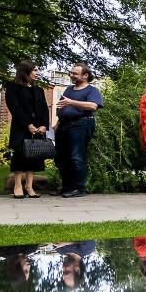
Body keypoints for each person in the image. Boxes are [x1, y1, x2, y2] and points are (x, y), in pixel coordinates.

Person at [54, 63, 104, 198]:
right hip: (63, 125)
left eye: (75, 74)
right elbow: (62, 106)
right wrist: (58, 122)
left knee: (76, 156)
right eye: (71, 73)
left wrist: (71, 102)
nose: (71, 75)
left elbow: (93, 106)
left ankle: (78, 188)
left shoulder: (92, 91)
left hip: (81, 124)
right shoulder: (68, 90)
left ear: (85, 75)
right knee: (61, 157)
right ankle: (67, 187)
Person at [5, 60, 49, 199]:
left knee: (34, 156)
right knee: (19, 155)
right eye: (35, 70)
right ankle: (18, 185)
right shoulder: (13, 86)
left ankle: (29, 186)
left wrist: (44, 125)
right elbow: (14, 107)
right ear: (26, 71)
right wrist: (27, 124)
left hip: (37, 128)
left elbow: (44, 109)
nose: (38, 73)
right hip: (21, 127)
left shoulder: (38, 89)